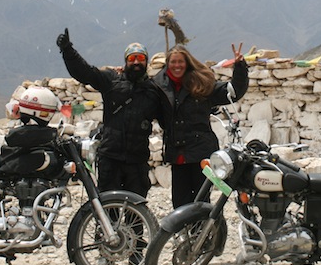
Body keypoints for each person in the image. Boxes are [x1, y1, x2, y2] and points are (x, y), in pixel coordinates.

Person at [56, 28, 161, 198]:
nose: (136, 62)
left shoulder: (153, 90)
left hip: (137, 161)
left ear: (146, 61)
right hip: (110, 158)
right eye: (132, 58)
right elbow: (86, 73)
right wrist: (68, 51)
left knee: (136, 208)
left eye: (140, 58)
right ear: (125, 61)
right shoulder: (111, 80)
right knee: (107, 206)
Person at [153, 43, 249, 208]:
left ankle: (203, 233)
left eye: (180, 62)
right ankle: (184, 234)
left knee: (201, 202)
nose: (177, 65)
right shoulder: (159, 87)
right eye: (173, 62)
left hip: (201, 153)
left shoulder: (201, 83)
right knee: (180, 203)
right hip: (177, 154)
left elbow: (233, 91)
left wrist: (240, 67)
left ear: (187, 62)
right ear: (168, 64)